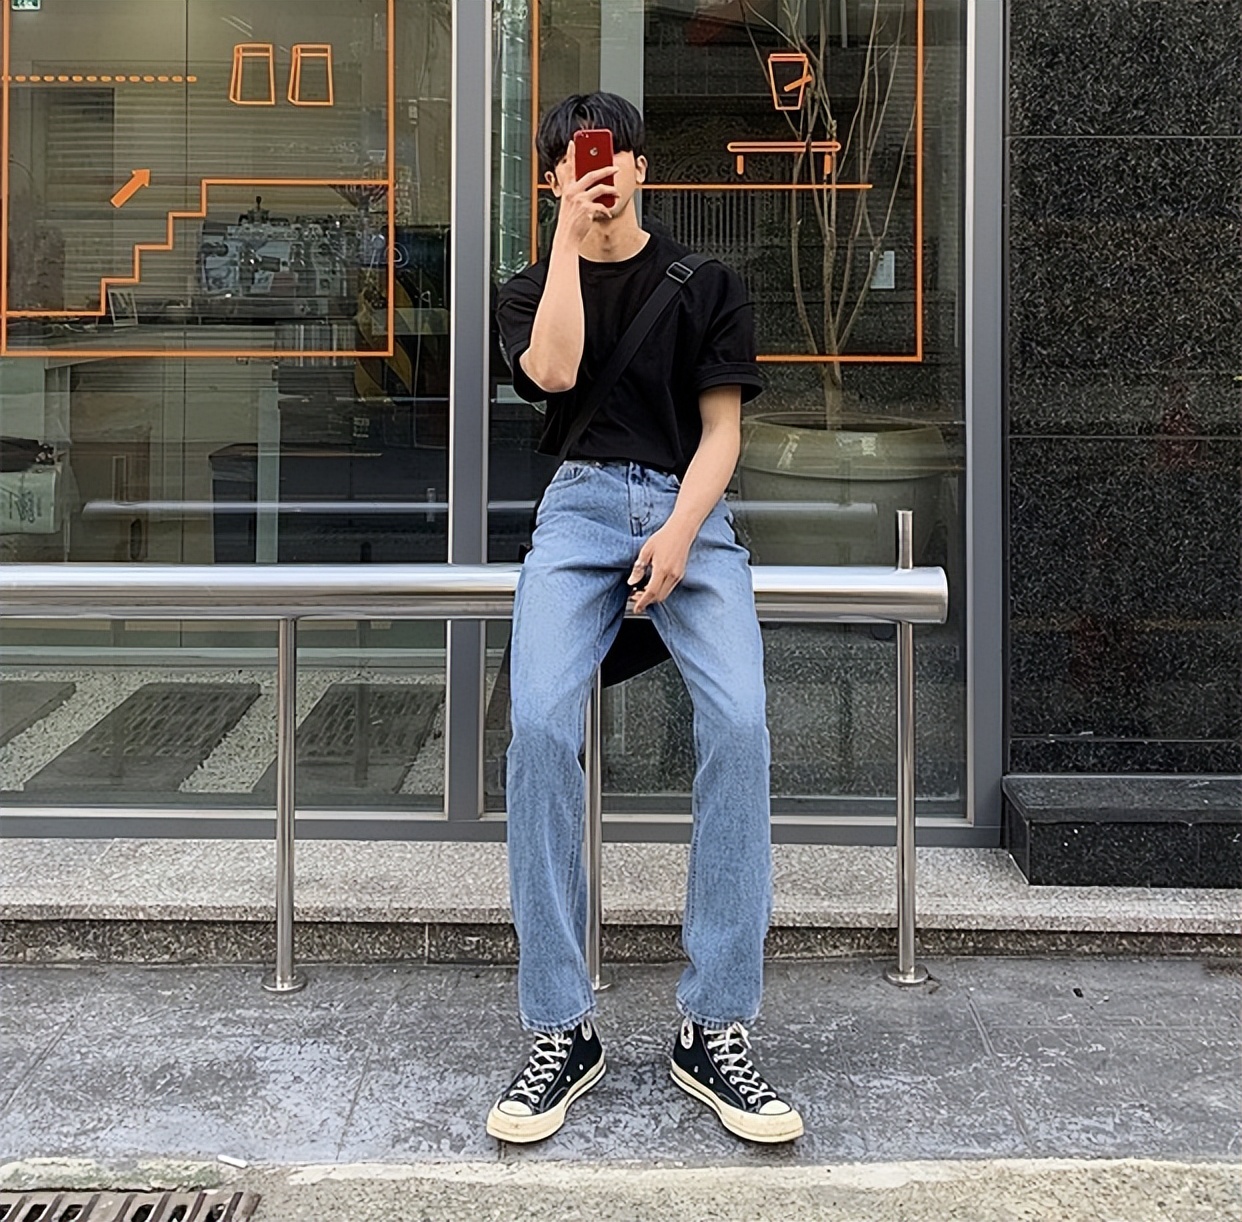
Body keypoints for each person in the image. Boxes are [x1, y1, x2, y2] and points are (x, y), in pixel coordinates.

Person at [489, 91, 802, 1146]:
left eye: (616, 155)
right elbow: (554, 373)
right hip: (578, 508)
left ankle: (714, 1023)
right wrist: (566, 241)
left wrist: (678, 531)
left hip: (691, 510)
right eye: (581, 160)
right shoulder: (529, 289)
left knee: (742, 725)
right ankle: (561, 1025)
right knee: (540, 726)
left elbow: (723, 432)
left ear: (643, 169)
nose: (602, 170)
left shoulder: (707, 281)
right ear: (552, 177)